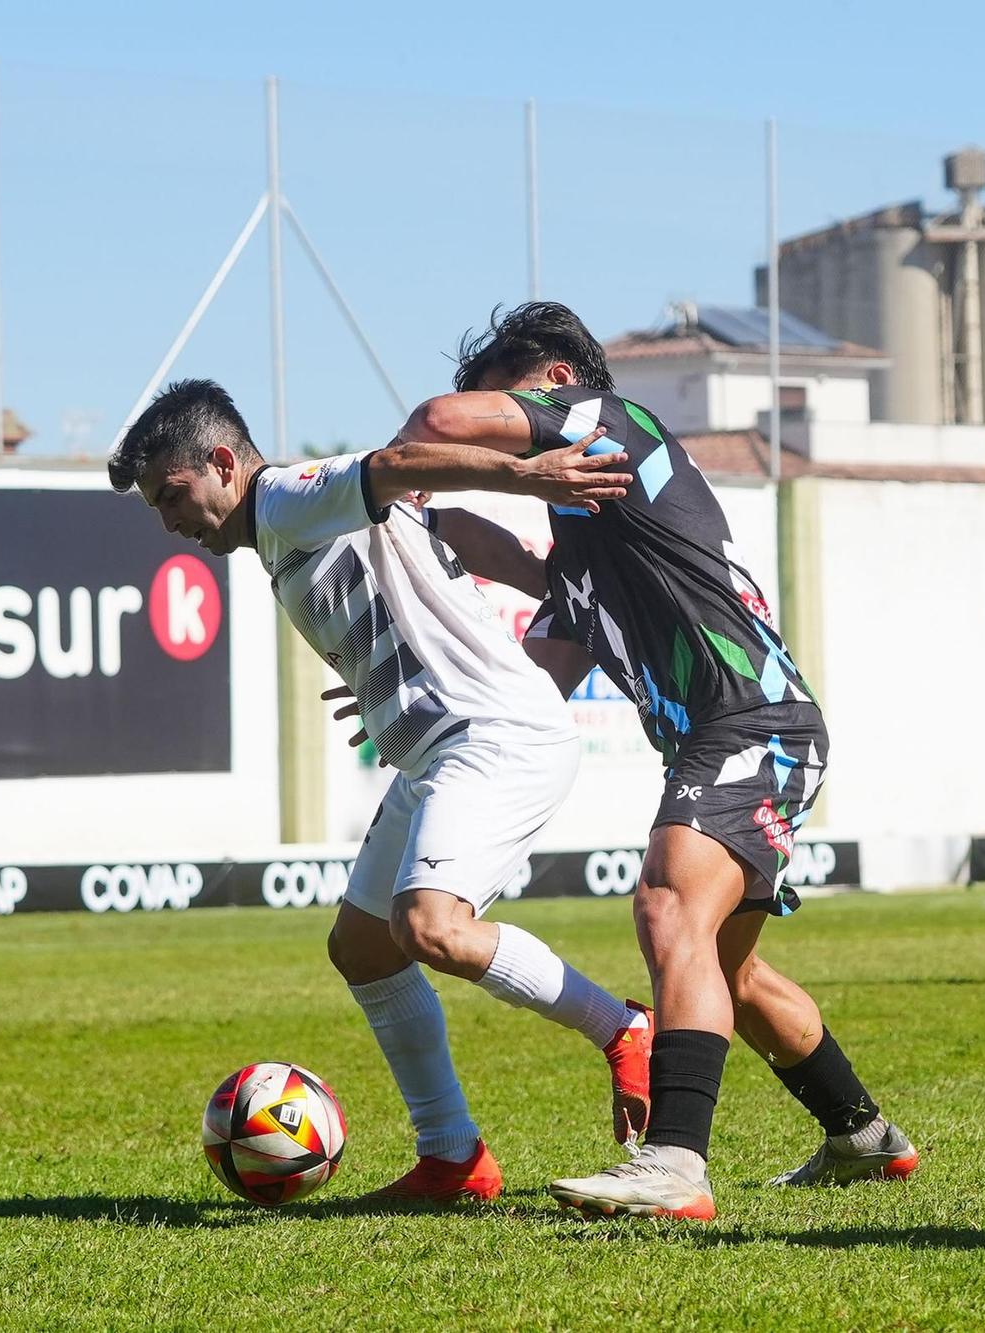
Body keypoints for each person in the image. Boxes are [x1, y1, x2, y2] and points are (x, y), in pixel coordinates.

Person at [392, 301, 915, 1221]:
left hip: (752, 721)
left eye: (505, 422)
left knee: (668, 901)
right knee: (730, 971)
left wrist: (396, 469)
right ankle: (864, 1138)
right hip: (749, 729)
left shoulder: (615, 423)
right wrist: (406, 680)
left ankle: (675, 1162)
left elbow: (437, 425)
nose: (499, 457)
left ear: (553, 385)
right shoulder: (590, 546)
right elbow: (524, 690)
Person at [109, 377, 654, 1204]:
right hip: (444, 746)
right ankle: (453, 1159)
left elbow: (397, 463)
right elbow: (418, 537)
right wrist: (381, 682)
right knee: (362, 948)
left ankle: (622, 1028)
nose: (169, 522)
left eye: (172, 494)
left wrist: (533, 478)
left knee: (430, 926)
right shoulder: (289, 527)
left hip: (496, 737)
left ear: (223, 462)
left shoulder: (285, 496)